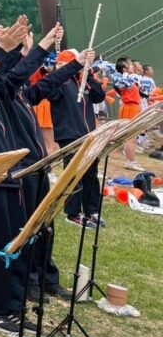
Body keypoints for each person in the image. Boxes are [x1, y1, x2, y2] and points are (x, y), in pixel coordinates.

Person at [45, 48, 105, 228]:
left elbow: (99, 96)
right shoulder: (61, 82)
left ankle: (92, 210)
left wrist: (90, 75)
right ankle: (72, 212)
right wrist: (60, 73)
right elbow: (51, 93)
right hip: (69, 133)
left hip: (88, 132)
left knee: (91, 171)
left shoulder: (83, 81)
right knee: (74, 173)